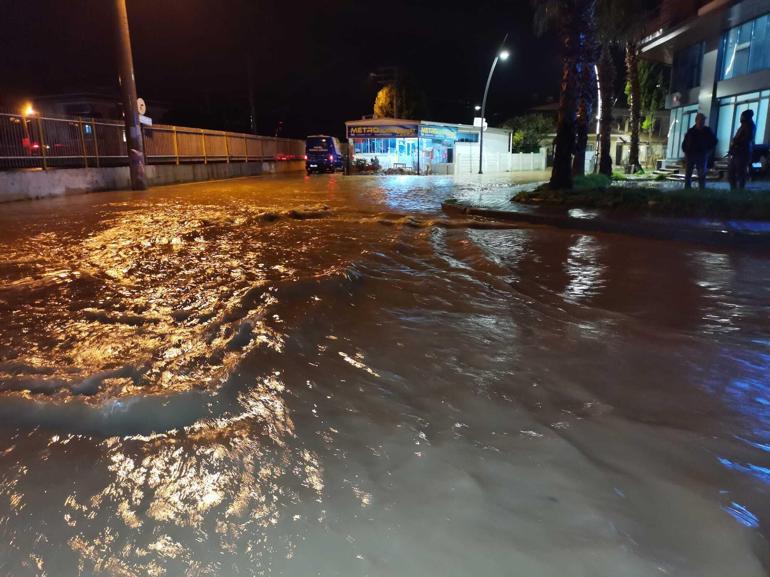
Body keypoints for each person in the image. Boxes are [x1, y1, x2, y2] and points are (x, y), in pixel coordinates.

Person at [681, 113, 717, 190]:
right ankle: (687, 189)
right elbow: (685, 143)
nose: (702, 122)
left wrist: (708, 151)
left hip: (701, 155)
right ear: (696, 120)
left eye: (703, 120)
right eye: (700, 120)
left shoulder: (707, 131)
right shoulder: (691, 131)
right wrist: (685, 153)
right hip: (690, 155)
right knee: (688, 173)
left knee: (701, 174)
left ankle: (701, 189)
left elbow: (714, 141)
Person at [728, 109, 756, 190]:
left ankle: (739, 191)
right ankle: (734, 190)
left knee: (740, 173)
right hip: (738, 152)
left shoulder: (749, 125)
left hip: (742, 153)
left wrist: (736, 143)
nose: (741, 117)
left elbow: (747, 139)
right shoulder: (744, 125)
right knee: (731, 172)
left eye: (742, 115)